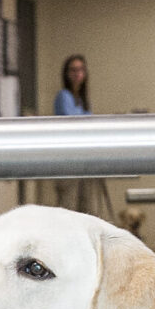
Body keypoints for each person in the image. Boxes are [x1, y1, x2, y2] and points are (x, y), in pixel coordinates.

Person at [49, 54, 113, 215]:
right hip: (68, 158)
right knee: (68, 207)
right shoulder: (63, 96)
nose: (77, 74)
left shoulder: (84, 100)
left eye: (81, 70)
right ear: (66, 73)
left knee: (88, 209)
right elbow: (73, 125)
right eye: (73, 70)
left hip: (85, 158)